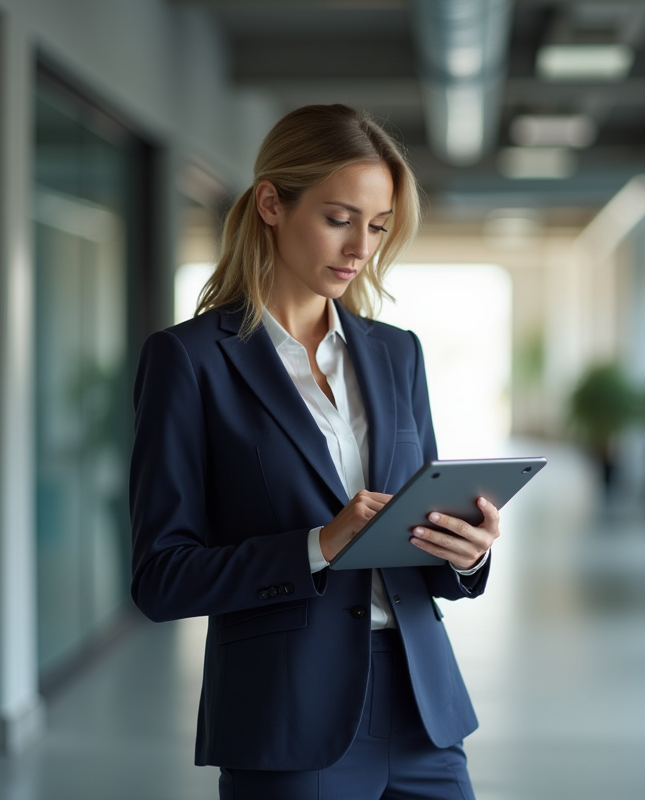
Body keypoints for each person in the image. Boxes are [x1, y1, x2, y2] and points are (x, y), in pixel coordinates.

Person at [128, 104, 499, 800]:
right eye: (339, 217)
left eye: (379, 225)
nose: (362, 245)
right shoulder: (189, 362)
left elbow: (422, 527)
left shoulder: (398, 353)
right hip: (289, 717)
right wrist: (318, 544)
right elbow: (160, 578)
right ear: (272, 203)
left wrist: (467, 549)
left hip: (425, 711)